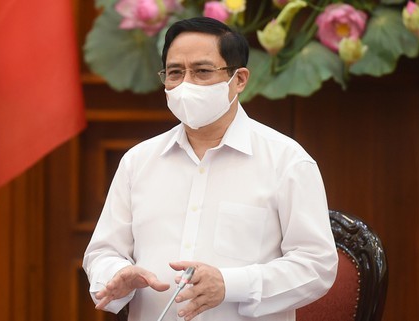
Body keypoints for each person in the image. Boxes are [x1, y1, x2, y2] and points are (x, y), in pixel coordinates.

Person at [83, 17, 338, 321]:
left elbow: (316, 265)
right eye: (175, 72)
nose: (186, 84)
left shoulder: (286, 161)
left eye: (202, 71)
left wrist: (230, 285)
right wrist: (118, 274)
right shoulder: (138, 161)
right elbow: (101, 252)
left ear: (239, 79)